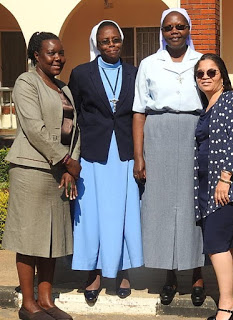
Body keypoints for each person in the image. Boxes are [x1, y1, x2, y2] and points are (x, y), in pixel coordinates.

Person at [2, 32, 80, 320]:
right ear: (37, 55)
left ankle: (46, 300)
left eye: (61, 52)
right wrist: (66, 159)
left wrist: (72, 165)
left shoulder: (64, 89)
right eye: (51, 53)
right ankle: (28, 303)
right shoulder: (26, 82)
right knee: (29, 237)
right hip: (31, 169)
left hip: (58, 172)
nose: (58, 57)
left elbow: (74, 130)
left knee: (53, 236)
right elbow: (33, 128)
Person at [133, 8, 205, 306]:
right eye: (168, 28)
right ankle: (170, 276)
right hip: (158, 134)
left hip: (194, 132)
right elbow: (139, 111)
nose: (174, 31)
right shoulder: (149, 64)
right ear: (162, 32)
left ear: (188, 28)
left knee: (193, 205)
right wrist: (139, 156)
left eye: (180, 26)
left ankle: (198, 275)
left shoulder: (202, 62)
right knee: (161, 208)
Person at [69, 20, 143, 303]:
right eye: (104, 41)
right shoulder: (81, 74)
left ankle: (122, 270)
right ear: (96, 44)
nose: (111, 45)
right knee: (92, 216)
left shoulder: (134, 73)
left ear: (121, 41)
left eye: (115, 40)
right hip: (93, 155)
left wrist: (141, 155)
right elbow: (73, 115)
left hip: (124, 154)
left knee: (124, 214)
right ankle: (94, 273)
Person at [194, 53, 233, 320]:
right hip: (213, 188)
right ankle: (232, 301)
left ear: (222, 75)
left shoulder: (231, 102)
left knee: (216, 245)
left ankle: (225, 308)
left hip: (229, 188)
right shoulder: (209, 105)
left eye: (212, 72)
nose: (206, 77)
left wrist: (224, 178)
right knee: (227, 246)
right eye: (200, 74)